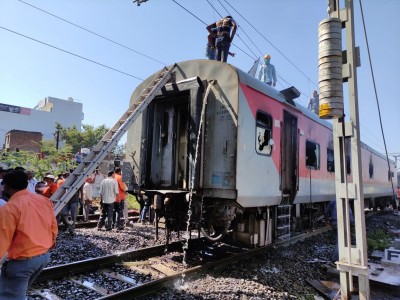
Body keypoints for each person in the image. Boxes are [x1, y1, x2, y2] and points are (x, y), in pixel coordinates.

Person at [0, 170, 58, 299]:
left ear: (7, 187)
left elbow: (2, 239)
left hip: (23, 262)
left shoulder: (10, 208)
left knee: (9, 296)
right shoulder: (43, 200)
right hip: (43, 257)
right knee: (19, 292)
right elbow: (53, 227)